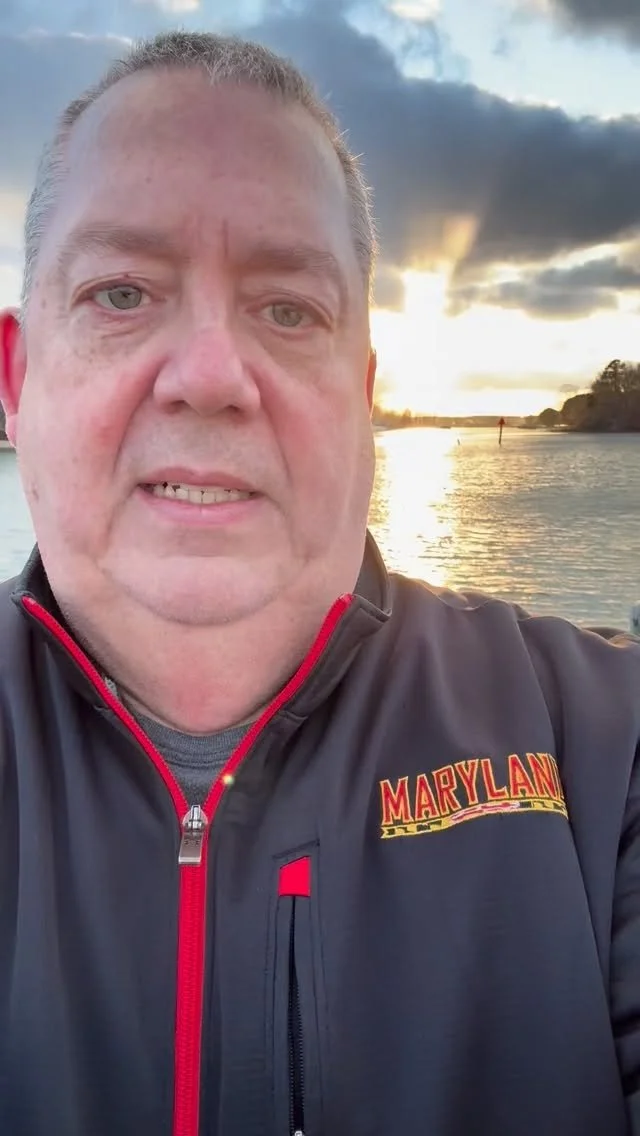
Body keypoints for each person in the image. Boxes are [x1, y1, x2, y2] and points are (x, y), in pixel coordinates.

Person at [0, 30, 639, 1136]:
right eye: (121, 293)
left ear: (363, 392)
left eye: (288, 308)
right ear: (15, 377)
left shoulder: (604, 753)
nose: (210, 375)